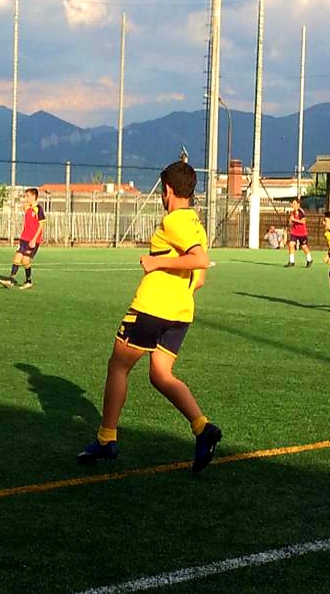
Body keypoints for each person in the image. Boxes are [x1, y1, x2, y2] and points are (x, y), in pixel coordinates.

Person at [77, 161, 221, 473]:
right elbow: (199, 278)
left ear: (167, 190)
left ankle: (106, 438)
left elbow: (200, 260)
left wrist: (156, 265)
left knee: (118, 366)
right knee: (160, 375)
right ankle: (202, 428)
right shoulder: (196, 224)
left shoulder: (174, 220)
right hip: (180, 312)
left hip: (151, 308)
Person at [0, 188, 46, 289]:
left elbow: (41, 226)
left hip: (33, 240)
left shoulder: (38, 209)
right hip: (24, 238)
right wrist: (27, 202)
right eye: (25, 196)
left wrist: (34, 239)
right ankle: (10, 280)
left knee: (25, 260)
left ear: (34, 196)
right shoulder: (27, 208)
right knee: (16, 258)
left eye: (27, 196)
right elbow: (25, 206)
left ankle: (28, 281)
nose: (26, 198)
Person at [285, 198, 312, 268]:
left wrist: (294, 220)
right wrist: (290, 221)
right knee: (291, 244)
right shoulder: (292, 212)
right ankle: (291, 261)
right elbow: (291, 222)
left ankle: (309, 259)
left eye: (294, 203)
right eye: (292, 204)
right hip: (294, 232)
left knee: (303, 246)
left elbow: (303, 222)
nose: (292, 205)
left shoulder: (301, 212)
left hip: (302, 233)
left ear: (298, 204)